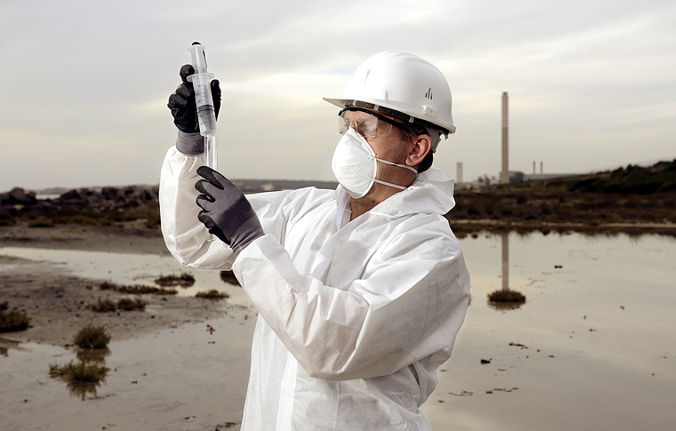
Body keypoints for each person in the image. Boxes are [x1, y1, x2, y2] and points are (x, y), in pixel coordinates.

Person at [161, 50, 470, 430]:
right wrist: (191, 142)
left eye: (366, 128)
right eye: (347, 126)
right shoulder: (305, 209)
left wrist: (250, 241)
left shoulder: (431, 251)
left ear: (416, 149)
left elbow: (334, 346)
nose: (349, 142)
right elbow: (193, 241)